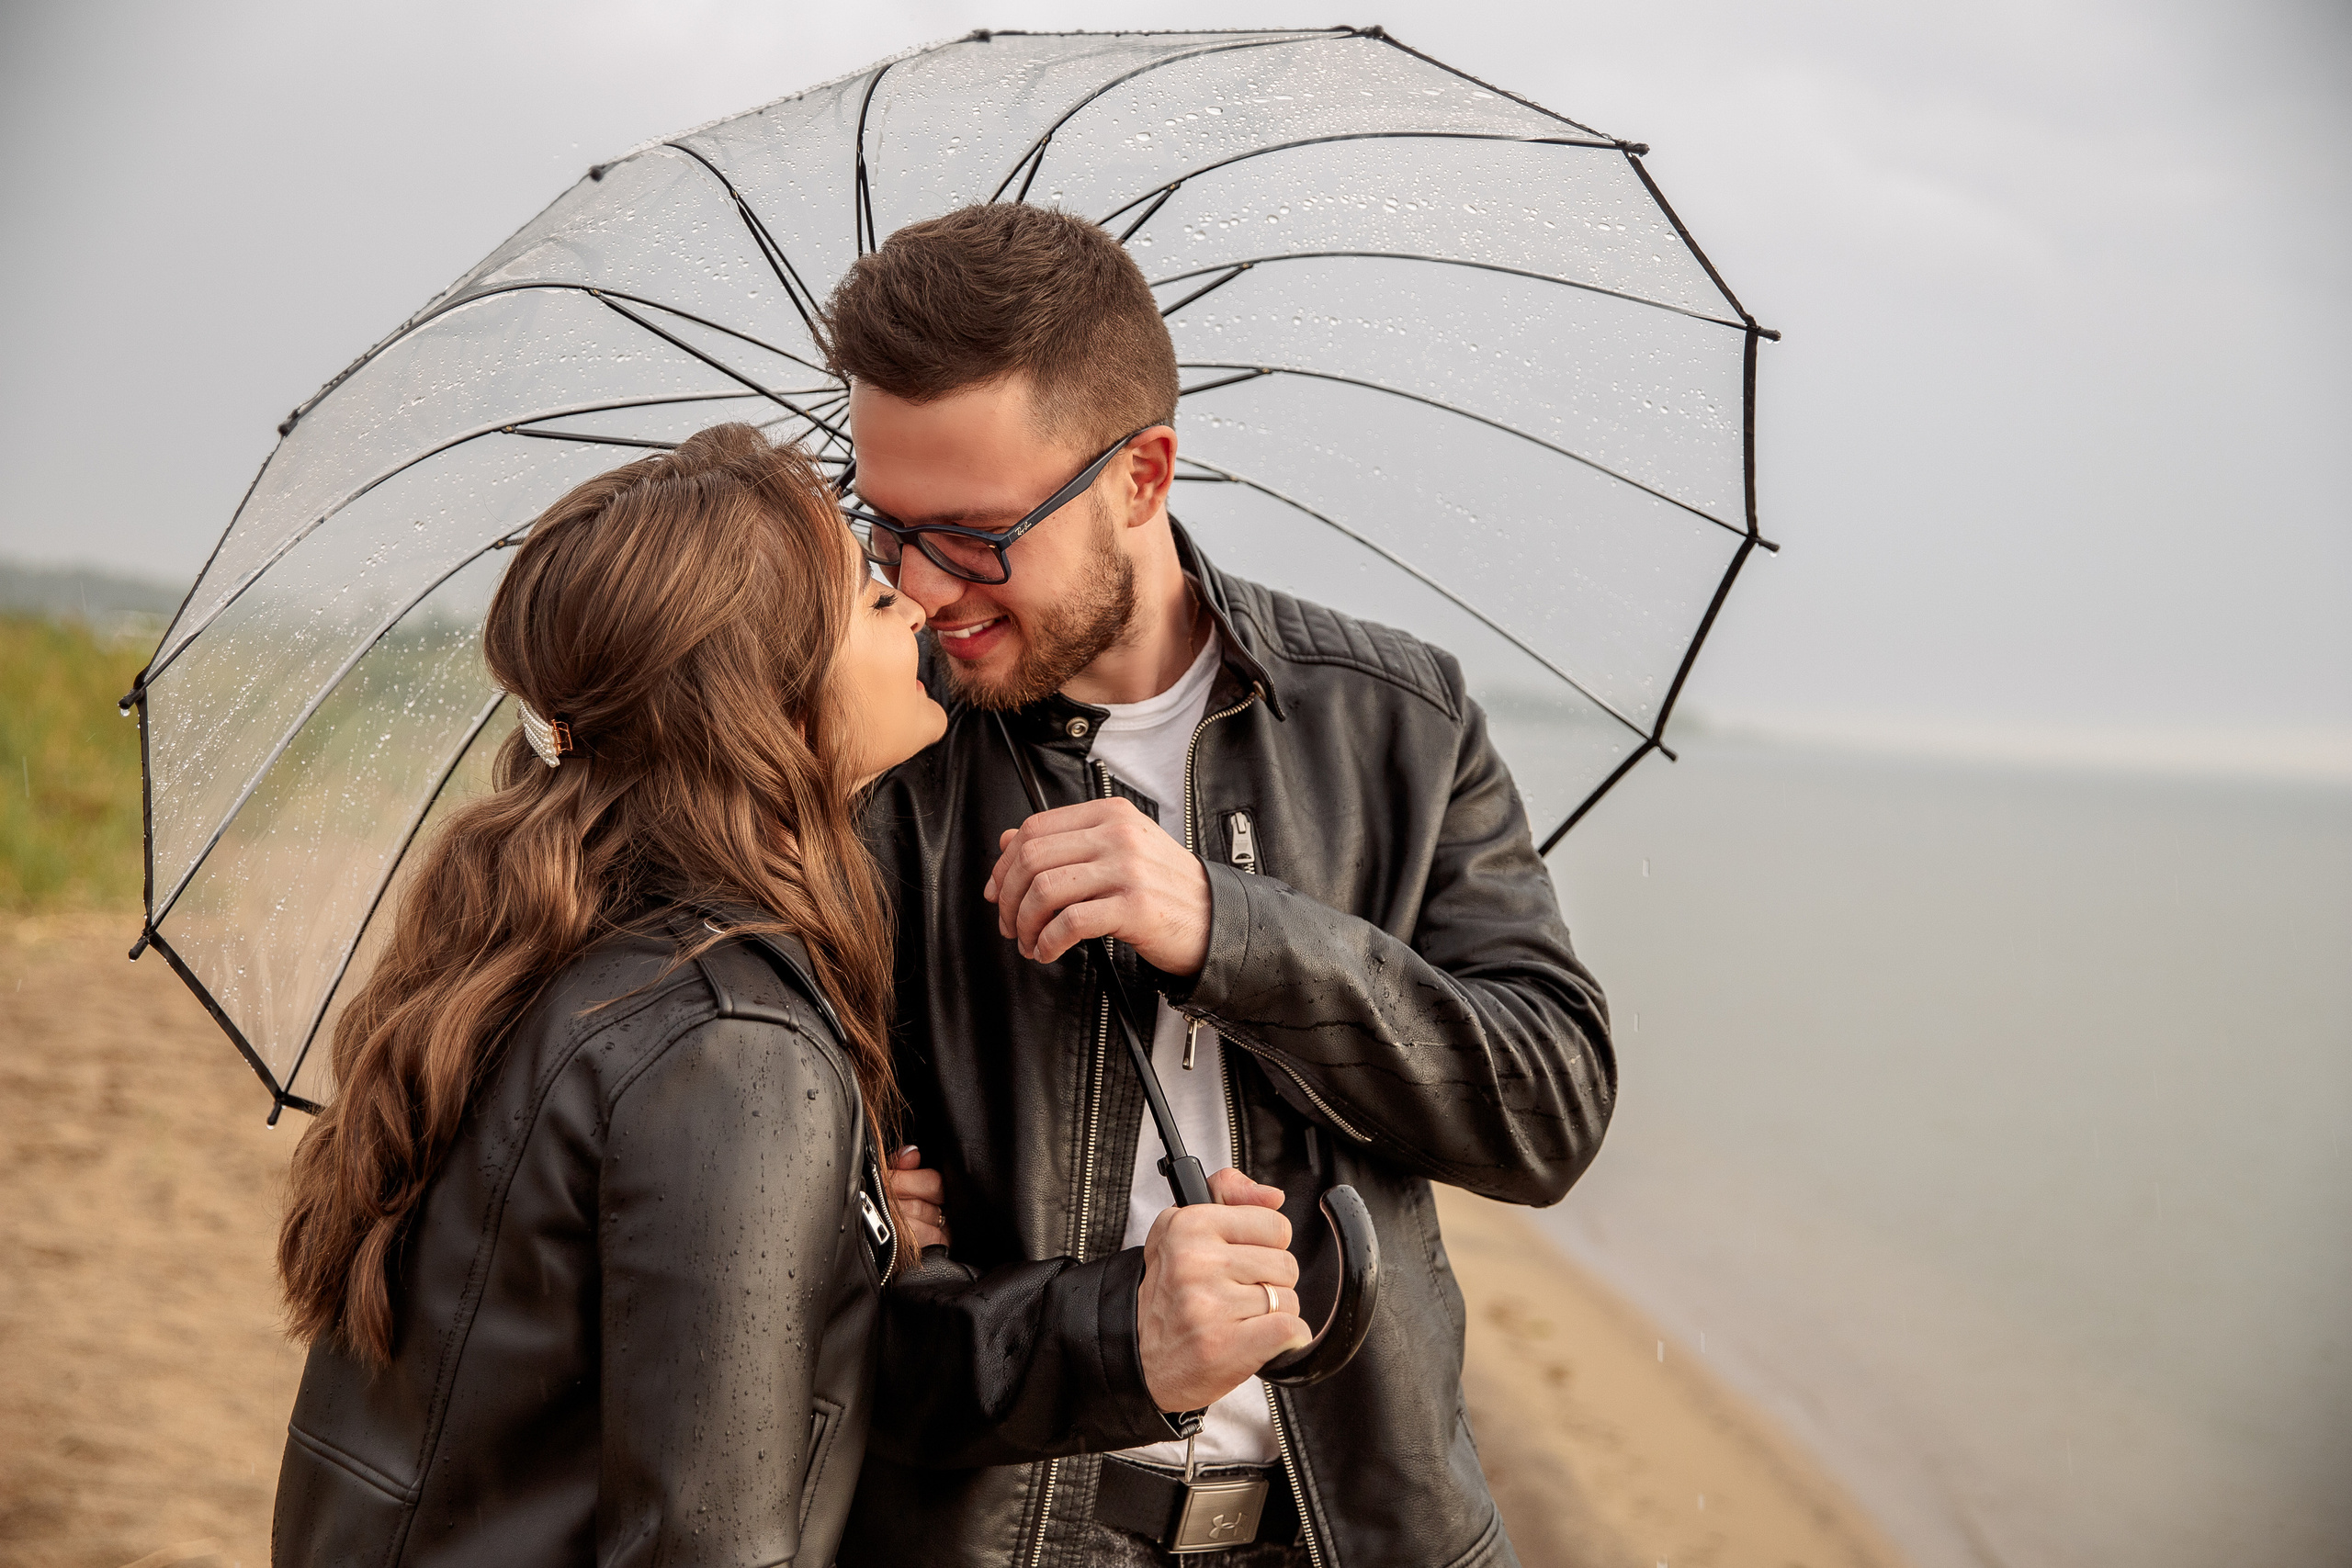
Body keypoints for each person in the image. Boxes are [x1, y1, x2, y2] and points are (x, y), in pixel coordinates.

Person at [841, 206, 1616, 1567]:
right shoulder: (876, 771)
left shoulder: (1400, 720)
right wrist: (1114, 1327)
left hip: (1371, 1535)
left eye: (971, 535)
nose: (917, 586)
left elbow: (1547, 1112)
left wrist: (1228, 930)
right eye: (884, 523)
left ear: (1143, 474)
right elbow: (826, 1327)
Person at [270, 425, 951, 1565]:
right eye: (874, 602)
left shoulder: (554, 952)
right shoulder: (730, 1041)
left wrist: (841, 1227)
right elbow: (710, 1543)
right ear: (766, 702)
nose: (919, 610)